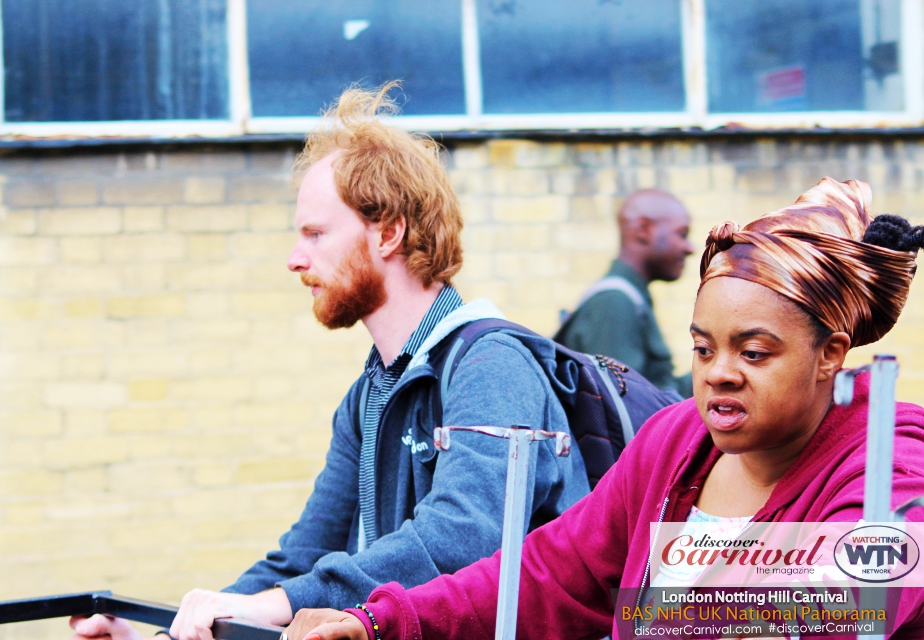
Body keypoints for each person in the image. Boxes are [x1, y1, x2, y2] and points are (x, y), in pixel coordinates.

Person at [287, 177, 924, 640]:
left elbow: (838, 608)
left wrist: (639, 616)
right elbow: (551, 572)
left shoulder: (891, 469)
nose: (720, 374)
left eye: (754, 353)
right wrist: (381, 620)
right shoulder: (676, 443)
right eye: (703, 349)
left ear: (829, 355)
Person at [69, 85, 589, 640]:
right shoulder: (369, 397)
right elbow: (303, 559)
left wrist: (279, 603)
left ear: (389, 232)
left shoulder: (491, 366)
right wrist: (174, 635)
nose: (296, 260)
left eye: (316, 234)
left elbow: (460, 538)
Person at [555, 189, 694, 398]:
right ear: (643, 230)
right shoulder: (614, 303)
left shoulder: (630, 298)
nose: (689, 248)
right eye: (681, 234)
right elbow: (625, 409)